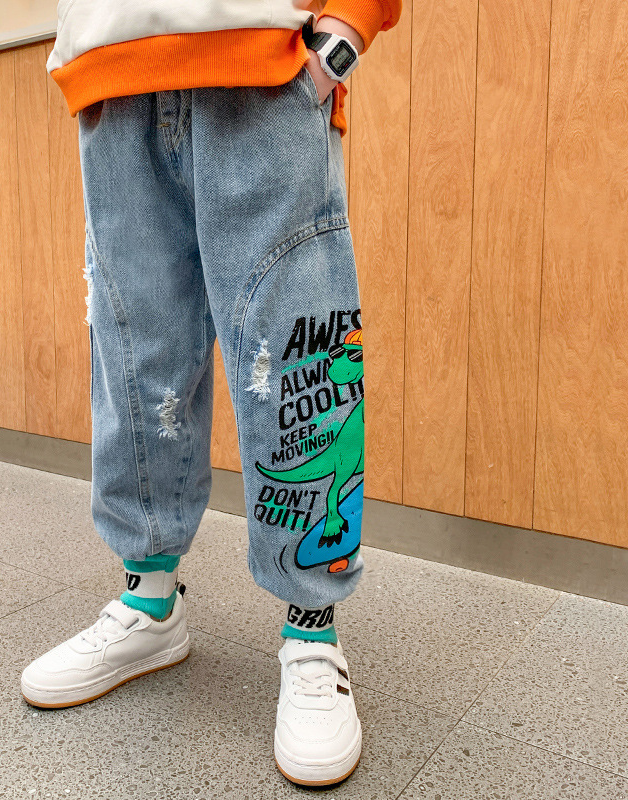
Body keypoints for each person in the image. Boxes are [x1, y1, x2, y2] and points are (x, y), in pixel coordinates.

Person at [21, 0, 401, 787]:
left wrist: (344, 34)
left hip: (261, 63)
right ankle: (149, 603)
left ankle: (312, 634)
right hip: (112, 71)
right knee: (137, 356)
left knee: (295, 356)